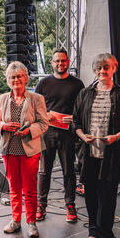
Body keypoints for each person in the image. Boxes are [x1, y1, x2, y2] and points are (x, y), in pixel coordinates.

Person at [73, 53, 120, 238]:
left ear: (114, 69)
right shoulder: (85, 93)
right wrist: (83, 136)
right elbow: (75, 121)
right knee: (90, 194)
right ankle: (93, 229)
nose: (102, 71)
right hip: (89, 154)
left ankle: (106, 233)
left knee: (107, 196)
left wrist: (115, 137)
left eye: (106, 67)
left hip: (111, 155)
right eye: (98, 68)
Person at [0, 62, 49, 237]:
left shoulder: (37, 99)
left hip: (29, 149)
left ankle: (31, 221)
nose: (16, 80)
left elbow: (44, 123)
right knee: (13, 187)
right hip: (9, 149)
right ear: (8, 80)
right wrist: (3, 126)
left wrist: (29, 130)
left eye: (19, 76)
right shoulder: (1, 99)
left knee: (30, 187)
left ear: (26, 78)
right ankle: (16, 219)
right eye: (12, 77)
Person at [35, 49, 85, 222]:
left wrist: (74, 117)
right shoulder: (43, 83)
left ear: (68, 62)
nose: (60, 64)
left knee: (68, 171)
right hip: (47, 133)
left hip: (68, 134)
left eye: (63, 61)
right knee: (44, 172)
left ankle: (70, 205)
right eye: (57, 61)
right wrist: (45, 115)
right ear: (52, 62)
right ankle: (41, 205)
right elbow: (34, 107)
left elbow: (83, 109)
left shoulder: (77, 84)